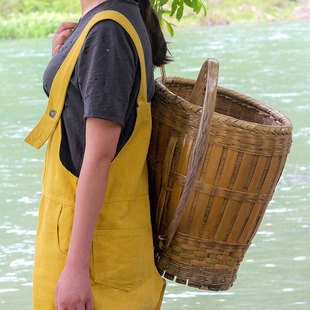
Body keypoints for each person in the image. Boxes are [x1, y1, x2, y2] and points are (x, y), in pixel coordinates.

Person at [25, 0, 171, 309]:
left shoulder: (108, 32)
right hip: (93, 248)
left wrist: (76, 269)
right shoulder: (104, 23)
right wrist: (65, 58)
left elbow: (100, 154)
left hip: (93, 261)